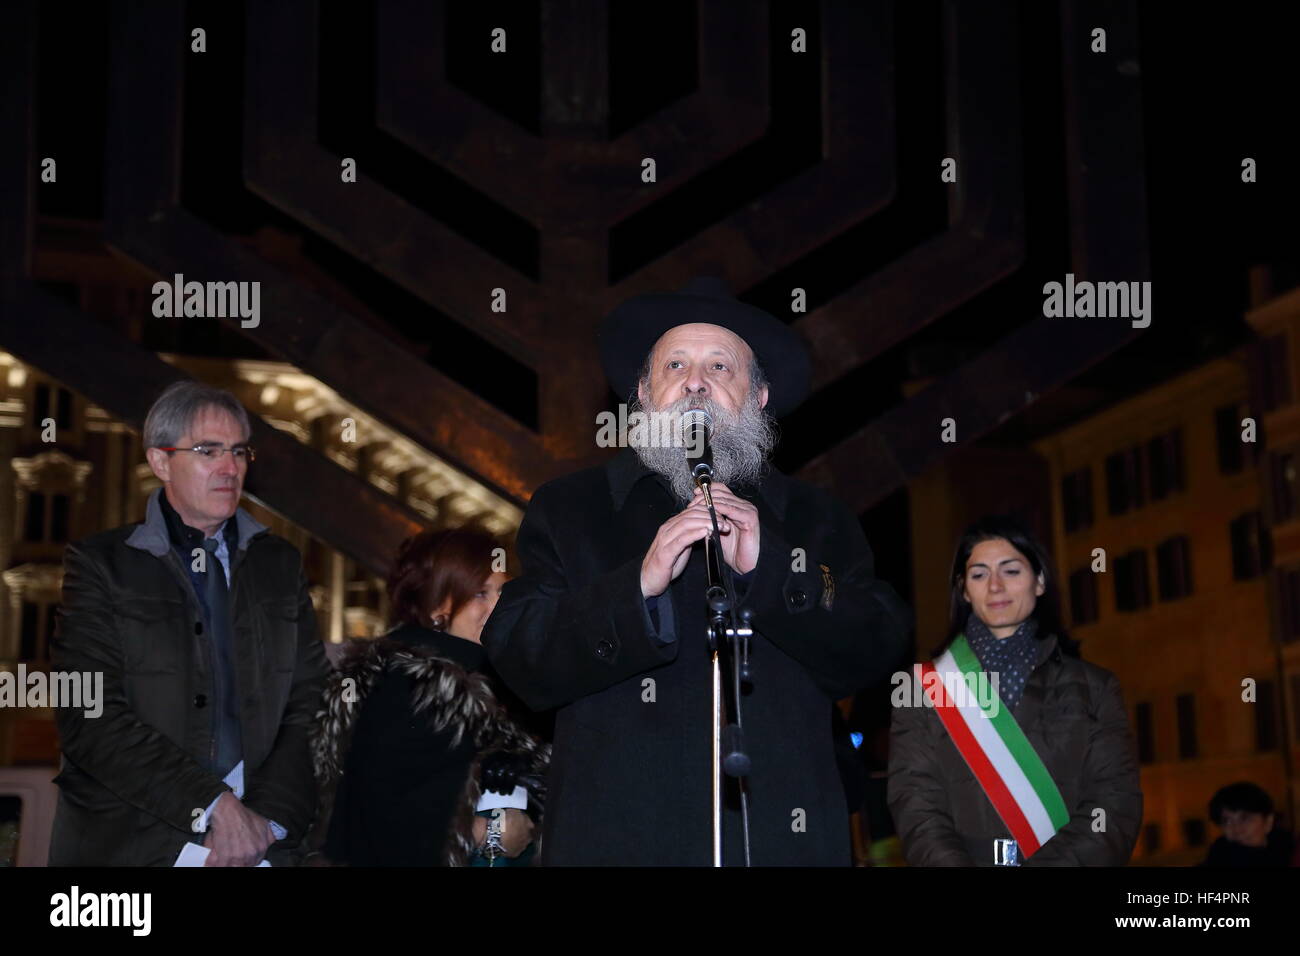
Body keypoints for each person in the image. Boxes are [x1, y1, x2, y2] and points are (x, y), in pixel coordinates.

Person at [481, 276, 914, 865]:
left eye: (720, 367)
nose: (695, 384)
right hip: (618, 843)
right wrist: (636, 586)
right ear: (644, 391)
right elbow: (518, 651)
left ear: (758, 396)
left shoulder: (817, 519)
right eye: (675, 364)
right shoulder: (573, 509)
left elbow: (876, 642)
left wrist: (776, 570)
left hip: (780, 841)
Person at [49, 380, 328, 866]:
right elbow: (88, 714)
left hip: (267, 842)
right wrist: (214, 805)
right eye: (208, 451)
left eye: (239, 452)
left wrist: (265, 823)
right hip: (135, 843)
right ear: (161, 463)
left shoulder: (280, 565)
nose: (229, 468)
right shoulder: (101, 565)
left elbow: (311, 704)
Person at [887, 515, 1143, 866]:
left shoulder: (1095, 688)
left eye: (1011, 571)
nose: (995, 586)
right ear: (963, 589)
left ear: (1039, 582)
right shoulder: (924, 688)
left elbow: (1114, 803)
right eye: (979, 574)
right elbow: (916, 804)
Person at [313, 527, 548, 866]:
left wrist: (519, 771)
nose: (499, 606)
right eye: (481, 593)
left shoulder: (498, 680)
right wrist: (488, 832)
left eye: (503, 591)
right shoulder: (404, 683)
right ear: (438, 604)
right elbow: (378, 813)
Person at [1199, 782, 1296, 867]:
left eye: (1245, 819)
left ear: (1268, 821)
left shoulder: (1292, 852)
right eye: (1226, 821)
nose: (1236, 829)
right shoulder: (1219, 858)